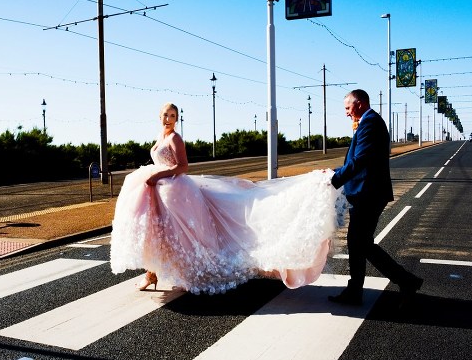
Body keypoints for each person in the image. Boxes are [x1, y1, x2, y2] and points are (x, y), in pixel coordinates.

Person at [110, 102, 346, 295]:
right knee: (159, 235)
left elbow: (183, 167)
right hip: (160, 191)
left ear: (177, 118)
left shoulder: (175, 139)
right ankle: (152, 273)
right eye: (165, 115)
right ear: (159, 116)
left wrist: (159, 174)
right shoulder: (161, 137)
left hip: (174, 191)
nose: (168, 118)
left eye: (173, 115)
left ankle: (167, 273)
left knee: (180, 238)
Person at [328, 89, 422, 307]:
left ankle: (406, 281)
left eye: (347, 108)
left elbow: (359, 160)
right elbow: (356, 160)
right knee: (359, 243)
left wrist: (335, 179)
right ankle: (357, 290)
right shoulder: (368, 121)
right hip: (365, 193)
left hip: (368, 194)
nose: (346, 113)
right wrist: (333, 172)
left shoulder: (370, 123)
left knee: (361, 243)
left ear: (359, 103)